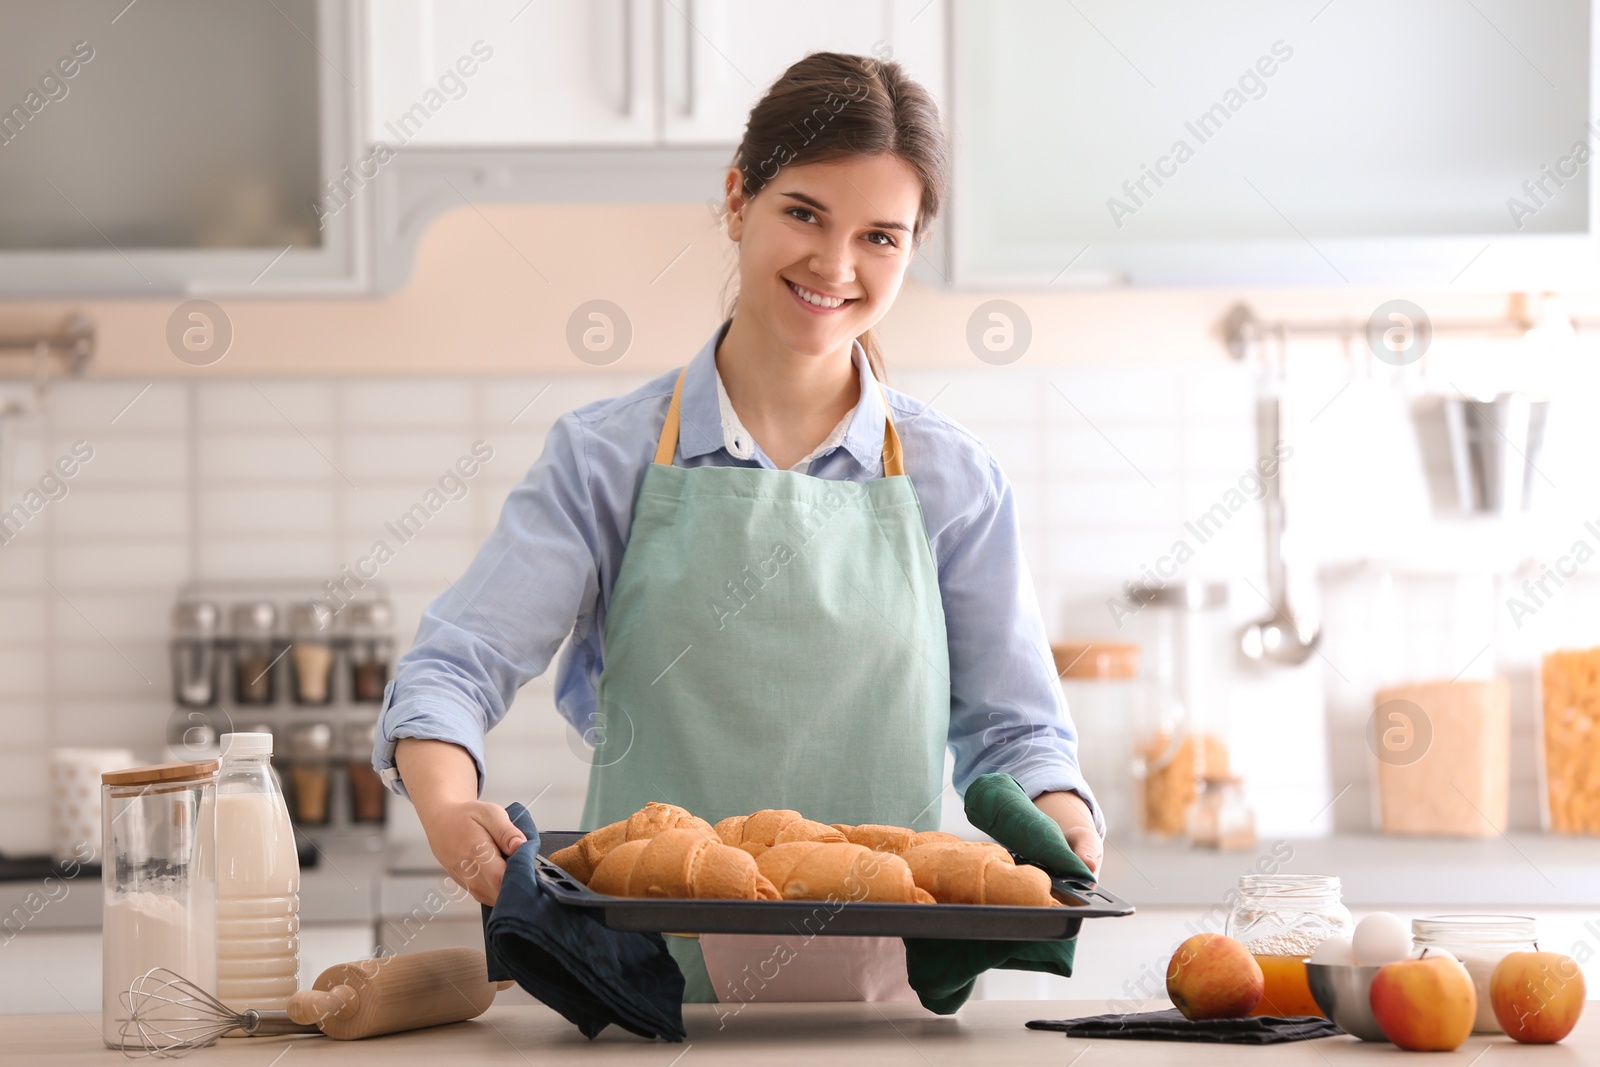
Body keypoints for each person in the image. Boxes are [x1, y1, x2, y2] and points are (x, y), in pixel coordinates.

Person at [374, 50, 1103, 1005]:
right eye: (804, 213)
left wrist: (1064, 824)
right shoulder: (608, 456)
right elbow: (453, 666)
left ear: (912, 248)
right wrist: (445, 803)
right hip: (642, 988)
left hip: (878, 1001)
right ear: (737, 201)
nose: (835, 265)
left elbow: (1015, 733)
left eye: (880, 236)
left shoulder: (954, 478)